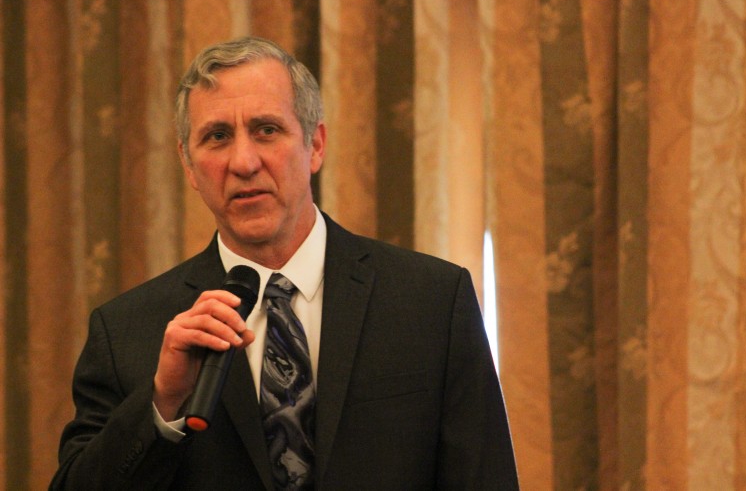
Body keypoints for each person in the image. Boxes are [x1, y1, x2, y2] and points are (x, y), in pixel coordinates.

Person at [50, 36, 519, 490]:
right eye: (217, 136)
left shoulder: (432, 302)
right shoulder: (127, 332)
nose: (244, 162)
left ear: (315, 146)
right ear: (188, 164)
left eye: (266, 130)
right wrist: (162, 402)